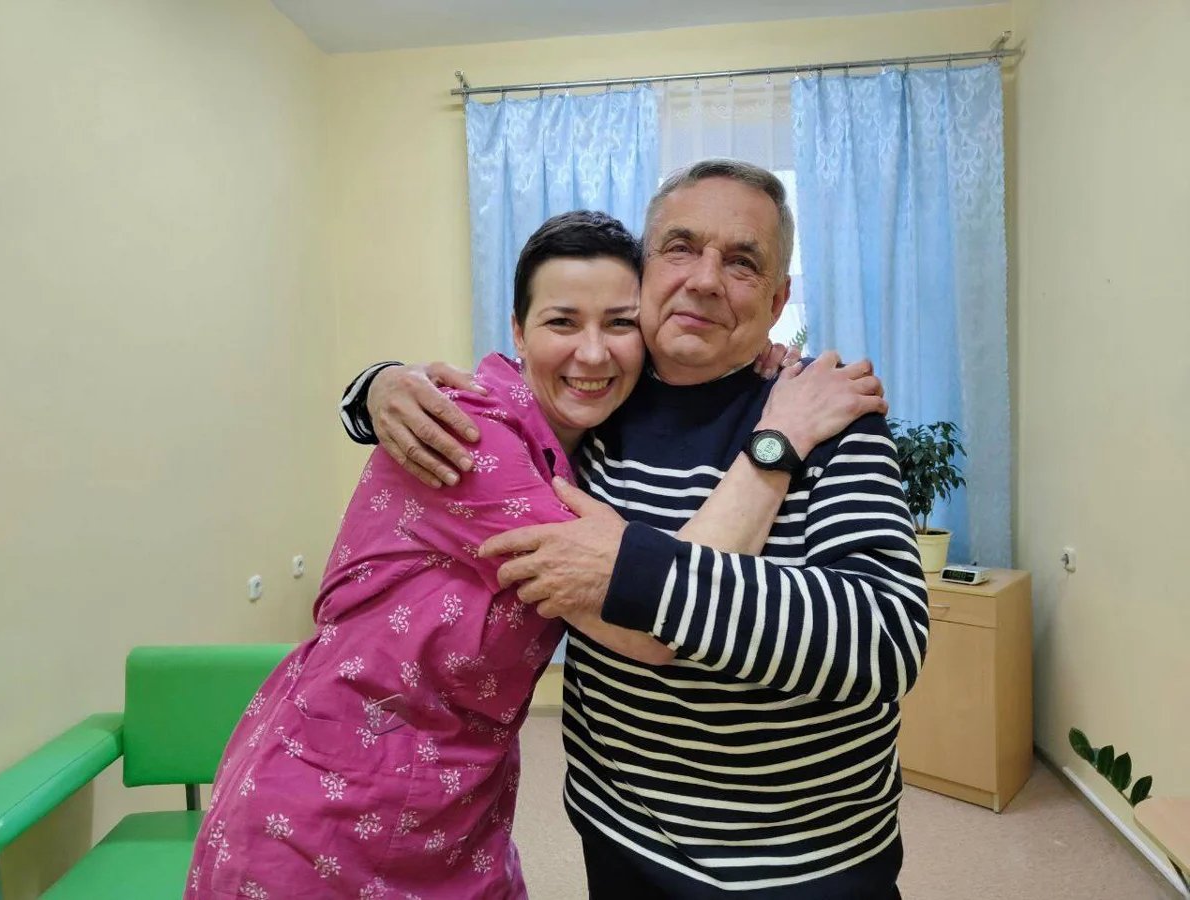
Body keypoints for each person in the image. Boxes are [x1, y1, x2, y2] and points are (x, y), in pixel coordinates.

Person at [340, 160, 927, 898]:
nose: (707, 279)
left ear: (777, 300)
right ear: (645, 276)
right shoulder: (597, 404)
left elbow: (885, 641)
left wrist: (630, 567)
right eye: (680, 248)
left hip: (801, 866)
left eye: (742, 262)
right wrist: (378, 385)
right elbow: (483, 405)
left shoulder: (826, 415)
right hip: (616, 836)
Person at [185, 211, 670, 899]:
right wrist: (775, 446)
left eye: (619, 323)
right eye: (563, 321)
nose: (593, 353)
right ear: (518, 331)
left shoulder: (583, 438)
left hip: (454, 804)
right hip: (327, 811)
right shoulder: (467, 432)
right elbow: (649, 625)